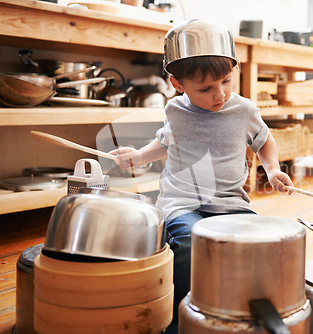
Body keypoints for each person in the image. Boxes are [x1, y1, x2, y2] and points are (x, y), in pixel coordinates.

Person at [109, 19, 293, 332]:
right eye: (205, 88)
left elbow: (264, 140)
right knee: (190, 242)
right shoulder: (175, 111)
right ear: (178, 85)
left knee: (252, 245)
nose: (219, 94)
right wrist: (139, 156)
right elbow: (166, 142)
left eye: (226, 81)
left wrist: (272, 169)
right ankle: (180, 320)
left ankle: (236, 307)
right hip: (183, 202)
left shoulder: (244, 110)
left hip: (230, 202)